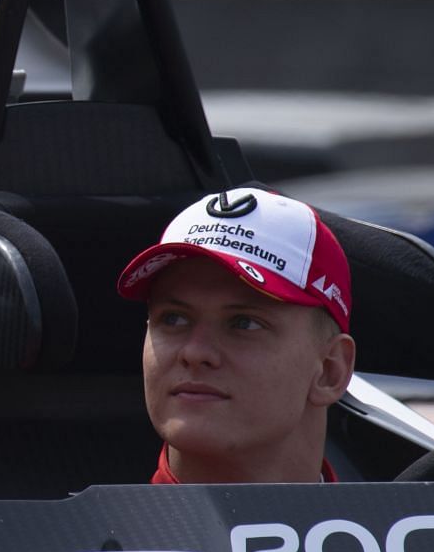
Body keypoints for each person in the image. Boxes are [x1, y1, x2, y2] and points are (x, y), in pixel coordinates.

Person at [117, 189, 356, 485]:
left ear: (331, 370)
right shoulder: (83, 530)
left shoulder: (411, 526)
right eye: (174, 318)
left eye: (244, 324)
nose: (194, 352)